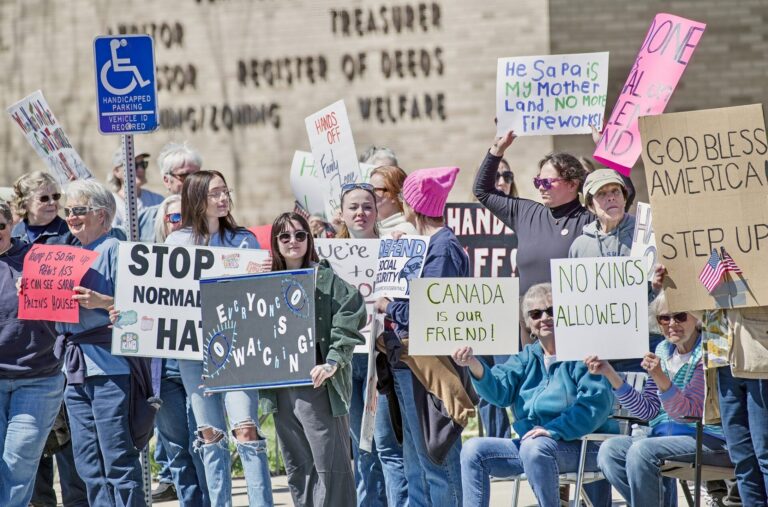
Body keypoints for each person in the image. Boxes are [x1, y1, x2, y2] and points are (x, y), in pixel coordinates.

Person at [165, 170, 273, 507]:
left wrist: (264, 274)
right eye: (215, 193)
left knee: (246, 430)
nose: (223, 199)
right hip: (194, 352)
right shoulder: (177, 243)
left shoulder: (245, 240)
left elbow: (261, 298)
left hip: (239, 349)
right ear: (197, 198)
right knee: (209, 436)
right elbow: (166, 296)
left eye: (226, 191)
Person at [455, 283, 616, 507]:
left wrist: (552, 430)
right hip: (533, 446)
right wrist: (473, 363)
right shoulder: (528, 356)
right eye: (536, 314)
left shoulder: (583, 354)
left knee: (535, 447)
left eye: (552, 311)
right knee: (473, 450)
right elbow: (500, 392)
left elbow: (595, 407)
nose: (544, 318)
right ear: (528, 323)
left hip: (584, 446)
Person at [375, 166, 476, 506]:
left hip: (430, 368)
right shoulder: (428, 244)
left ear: (412, 204)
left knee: (437, 458)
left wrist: (389, 307)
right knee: (415, 463)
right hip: (409, 362)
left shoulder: (443, 248)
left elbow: (428, 315)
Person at [52, 179, 153, 507]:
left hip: (110, 369)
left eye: (79, 210)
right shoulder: (68, 254)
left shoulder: (116, 250)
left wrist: (102, 302)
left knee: (118, 459)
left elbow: (141, 313)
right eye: (68, 211)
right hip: (75, 371)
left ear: (104, 216)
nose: (71, 216)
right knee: (87, 463)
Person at [260, 212, 366, 506]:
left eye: (300, 235)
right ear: (275, 243)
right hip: (281, 385)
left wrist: (333, 361)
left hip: (317, 381)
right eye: (284, 236)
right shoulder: (264, 281)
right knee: (299, 466)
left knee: (329, 464)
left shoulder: (326, 278)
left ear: (309, 239)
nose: (293, 241)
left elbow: (352, 312)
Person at [587, 291, 726, 506]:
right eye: (664, 318)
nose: (672, 324)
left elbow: (689, 413)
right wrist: (609, 373)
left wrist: (661, 377)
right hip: (662, 437)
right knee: (609, 451)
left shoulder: (707, 351)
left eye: (680, 316)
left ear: (696, 318)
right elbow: (649, 411)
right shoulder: (662, 349)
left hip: (705, 437)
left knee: (641, 450)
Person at [474, 130, 590, 346]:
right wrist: (497, 150)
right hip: (531, 326)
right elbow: (483, 191)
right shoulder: (526, 213)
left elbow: (620, 195)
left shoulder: (588, 220)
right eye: (538, 182)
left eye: (547, 182)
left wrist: (606, 147)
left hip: (573, 326)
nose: (540, 188)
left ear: (573, 183)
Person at [335, 183, 406, 507]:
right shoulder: (327, 256)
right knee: (361, 446)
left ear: (377, 211)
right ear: (341, 213)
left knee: (386, 444)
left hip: (381, 360)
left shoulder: (393, 247)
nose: (360, 213)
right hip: (347, 362)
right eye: (353, 207)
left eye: (367, 206)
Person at [0, 202, 65, 507]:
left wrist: (45, 288)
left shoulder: (38, 259)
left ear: (11, 224)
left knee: (18, 463)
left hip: (37, 379)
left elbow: (72, 307)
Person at [703, 308, 768, 505]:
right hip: (721, 355)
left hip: (758, 356)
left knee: (764, 452)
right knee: (742, 457)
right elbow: (696, 307)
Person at [137, 142, 202, 241]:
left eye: (197, 175)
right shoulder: (149, 217)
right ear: (167, 180)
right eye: (184, 176)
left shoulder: (211, 214)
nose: (193, 181)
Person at [108, 148, 164, 229]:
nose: (141, 170)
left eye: (143, 164)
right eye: (133, 165)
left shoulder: (158, 201)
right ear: (117, 171)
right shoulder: (110, 205)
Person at [10, 171, 68, 244]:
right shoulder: (12, 234)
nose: (53, 202)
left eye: (55, 196)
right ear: (25, 203)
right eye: (44, 198)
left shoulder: (70, 233)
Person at [368, 165, 417, 237]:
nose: (368, 193)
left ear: (394, 195)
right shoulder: (370, 228)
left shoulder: (406, 231)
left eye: (374, 190)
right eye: (368, 189)